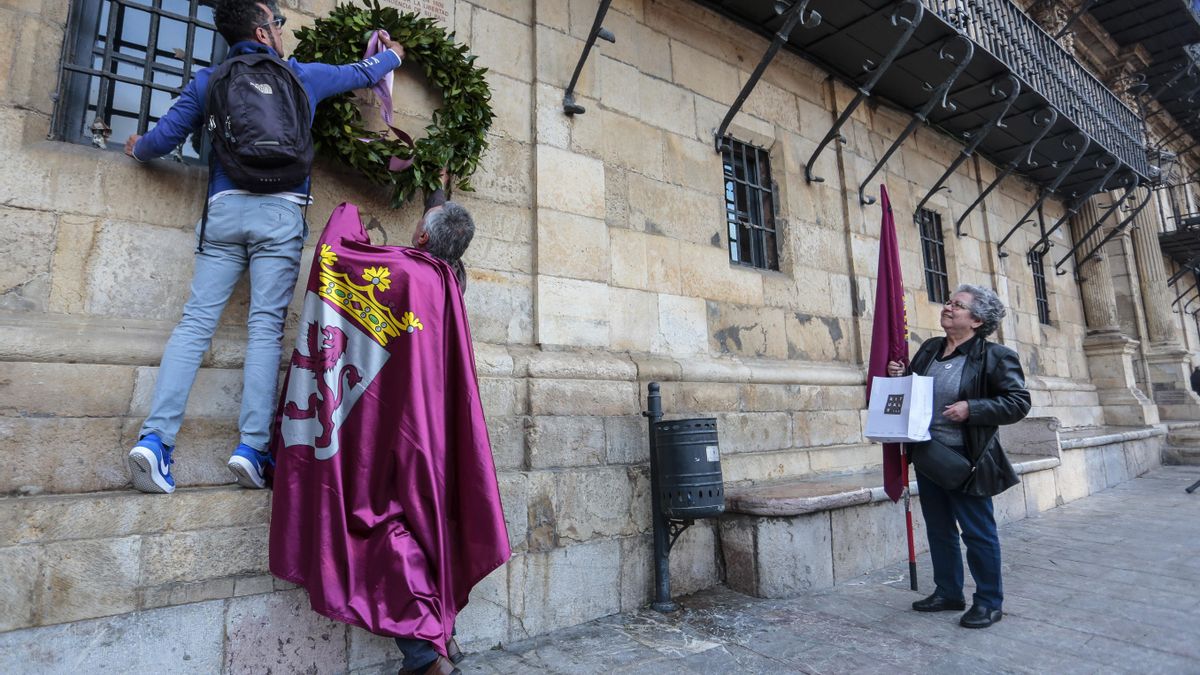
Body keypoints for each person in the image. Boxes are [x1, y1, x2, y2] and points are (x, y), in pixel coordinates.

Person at [122, 0, 406, 494]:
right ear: (262, 30)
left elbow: (161, 141)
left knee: (195, 323)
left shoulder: (209, 81)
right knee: (265, 328)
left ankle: (156, 440)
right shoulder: (301, 76)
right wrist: (394, 55)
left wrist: (135, 145)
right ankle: (251, 449)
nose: (281, 29)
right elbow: (363, 71)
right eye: (277, 23)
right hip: (281, 212)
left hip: (226, 207)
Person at [268, 175, 508, 675]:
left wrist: (347, 212)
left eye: (419, 227)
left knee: (386, 527)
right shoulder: (449, 283)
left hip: (393, 432)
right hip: (435, 433)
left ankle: (425, 654)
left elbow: (339, 252)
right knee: (431, 526)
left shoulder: (405, 271)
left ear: (421, 237)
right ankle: (443, 638)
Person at [888, 284, 1031, 629]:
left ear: (977, 320)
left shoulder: (996, 357)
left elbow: (1018, 402)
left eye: (958, 305)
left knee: (977, 532)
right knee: (939, 529)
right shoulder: (930, 349)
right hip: (928, 455)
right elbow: (920, 392)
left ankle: (988, 601)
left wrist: (973, 408)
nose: (948, 307)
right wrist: (901, 376)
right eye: (949, 302)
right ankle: (948, 591)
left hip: (968, 460)